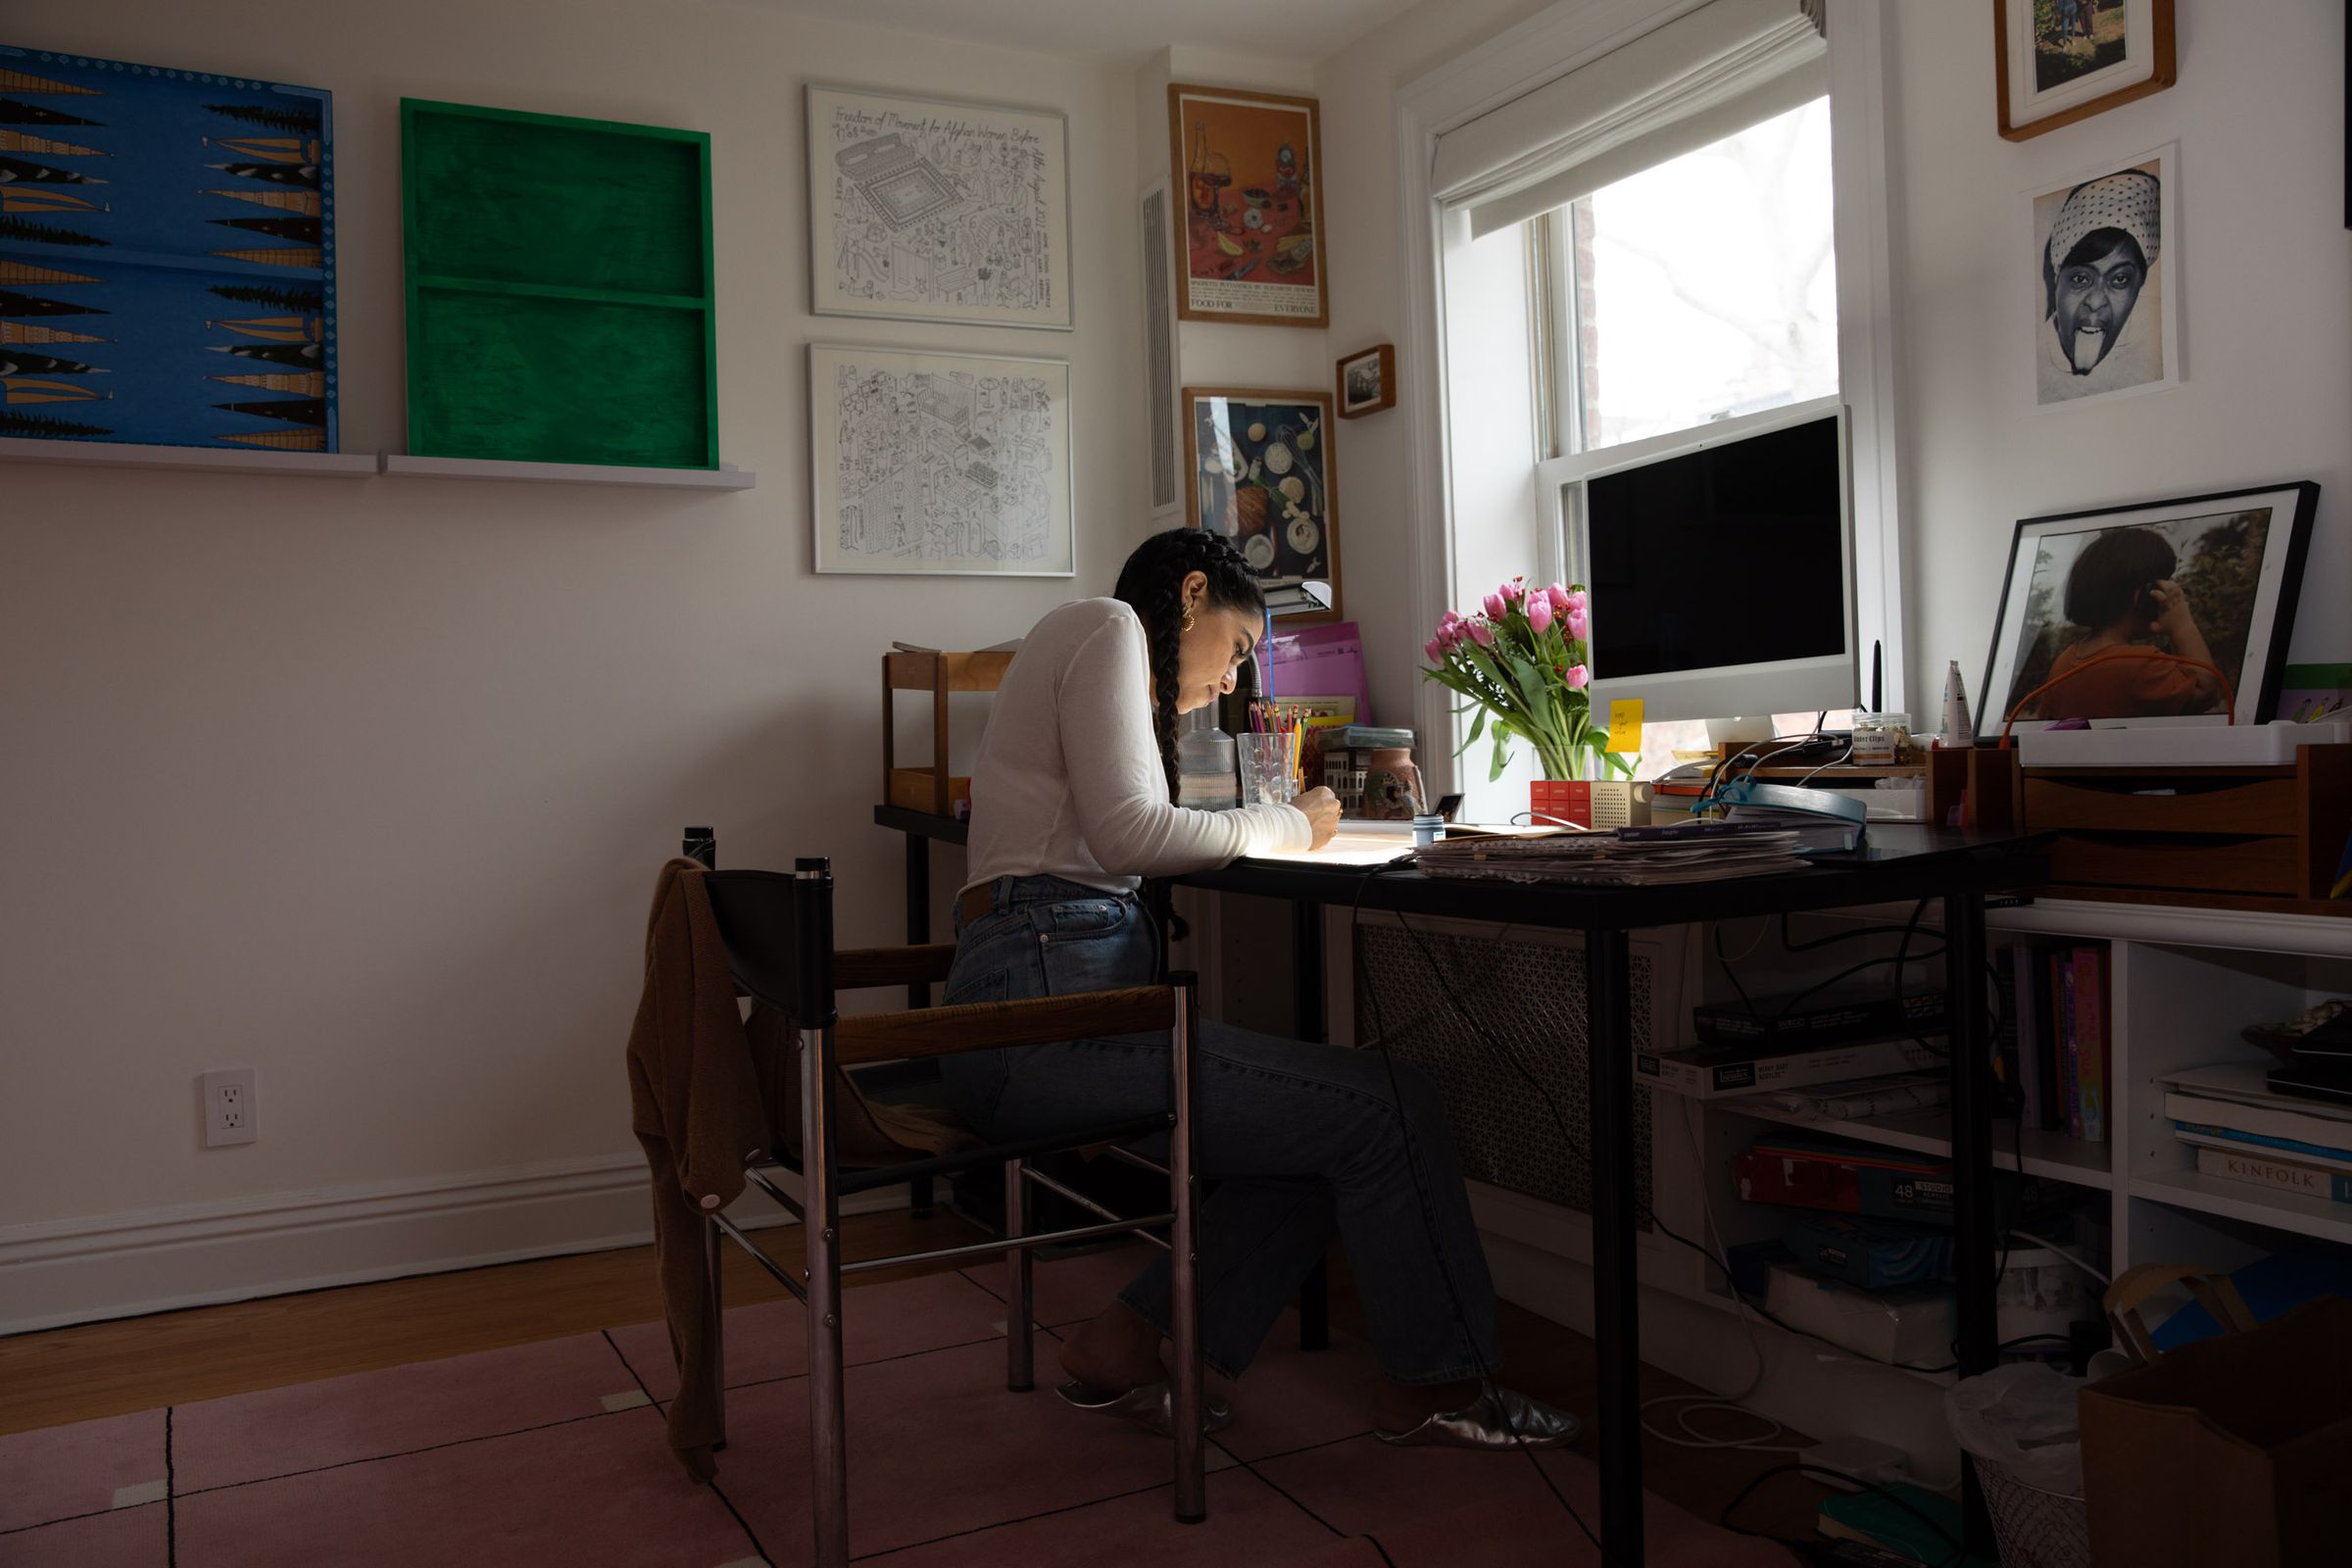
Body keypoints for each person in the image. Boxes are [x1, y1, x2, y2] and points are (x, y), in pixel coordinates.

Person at [941, 525, 1577, 1449]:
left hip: (1031, 1009)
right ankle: (1440, 1386)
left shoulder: (1084, 639)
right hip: (1039, 1025)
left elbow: (1123, 830)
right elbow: (1132, 837)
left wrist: (1254, 819)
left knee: (1326, 1123)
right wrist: (1288, 820)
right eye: (1237, 648)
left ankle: (1129, 1340)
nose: (1233, 679)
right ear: (1190, 594)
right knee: (1389, 1107)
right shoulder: (1108, 623)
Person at [2028, 526, 2224, 719]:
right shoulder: (2138, 663)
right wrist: (2182, 625)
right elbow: (2206, 691)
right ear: (2142, 596)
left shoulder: (2064, 662)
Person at [2036, 169, 2161, 404]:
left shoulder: (2156, 347)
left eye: (2120, 279)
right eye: (2081, 279)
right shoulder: (2027, 364)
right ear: (2056, 281)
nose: (2095, 301)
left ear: (2139, 286)